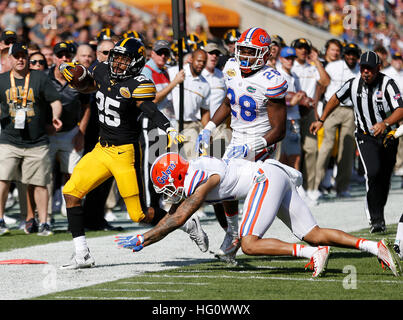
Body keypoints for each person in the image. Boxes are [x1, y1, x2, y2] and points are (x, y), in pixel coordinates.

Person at [116, 152, 402, 277]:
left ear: (178, 177)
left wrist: (145, 238)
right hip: (271, 174)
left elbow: (178, 217)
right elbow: (225, 197)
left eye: (168, 187)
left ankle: (312, 254)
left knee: (249, 243)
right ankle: (374, 247)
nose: (168, 193)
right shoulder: (198, 169)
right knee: (312, 233)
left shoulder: (198, 179)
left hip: (265, 179)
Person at [58, 38, 207, 269]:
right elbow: (89, 85)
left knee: (138, 215)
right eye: (116, 57)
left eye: (124, 59)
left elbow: (150, 109)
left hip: (124, 153)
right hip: (101, 148)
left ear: (136, 62)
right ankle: (82, 254)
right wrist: (72, 74)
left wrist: (168, 127)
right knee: (71, 192)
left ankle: (187, 223)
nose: (117, 63)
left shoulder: (138, 84)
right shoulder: (100, 68)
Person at [196, 28, 288, 262]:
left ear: (265, 55)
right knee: (224, 185)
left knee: (239, 186)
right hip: (237, 136)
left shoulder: (272, 80)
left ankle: (240, 237)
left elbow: (279, 130)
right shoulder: (231, 68)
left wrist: (253, 146)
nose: (245, 56)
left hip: (261, 140)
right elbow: (229, 101)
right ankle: (235, 233)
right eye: (243, 50)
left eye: (251, 52)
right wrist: (208, 128)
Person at [310, 51, 403, 234]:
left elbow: (400, 109)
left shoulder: (388, 84)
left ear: (378, 68)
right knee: (373, 173)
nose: (366, 72)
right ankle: (375, 219)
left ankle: (378, 213)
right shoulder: (353, 84)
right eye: (363, 68)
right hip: (365, 136)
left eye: (370, 68)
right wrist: (321, 120)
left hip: (388, 136)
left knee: (384, 179)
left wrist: (385, 123)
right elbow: (335, 98)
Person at [0, 43, 63, 236]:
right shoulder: (2, 80)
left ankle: (43, 222)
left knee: (39, 183)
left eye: (23, 56)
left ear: (27, 58)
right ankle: (0, 220)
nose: (20, 59)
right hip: (9, 139)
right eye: (16, 56)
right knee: (2, 179)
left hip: (37, 141)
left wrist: (55, 116)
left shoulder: (39, 78)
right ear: (9, 59)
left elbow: (55, 101)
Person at [45, 42, 91, 219]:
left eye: (67, 56)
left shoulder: (79, 76)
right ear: (55, 58)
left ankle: (70, 206)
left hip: (72, 130)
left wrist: (81, 132)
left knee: (72, 172)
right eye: (60, 55)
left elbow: (87, 106)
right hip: (48, 131)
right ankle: (45, 214)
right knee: (45, 174)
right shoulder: (44, 77)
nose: (64, 59)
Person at [311, 43, 361, 200]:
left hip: (350, 110)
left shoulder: (360, 70)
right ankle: (315, 186)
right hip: (331, 109)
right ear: (344, 54)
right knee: (326, 146)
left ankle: (342, 187)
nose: (351, 57)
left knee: (347, 150)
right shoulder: (334, 66)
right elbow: (321, 86)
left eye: (354, 54)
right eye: (349, 54)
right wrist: (316, 109)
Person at [140, 40, 185, 212]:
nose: (163, 56)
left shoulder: (164, 71)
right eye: (160, 52)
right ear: (152, 53)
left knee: (164, 164)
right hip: (151, 122)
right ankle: (150, 206)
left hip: (165, 123)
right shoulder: (147, 71)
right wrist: (174, 83)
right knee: (150, 164)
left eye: (166, 53)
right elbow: (153, 99)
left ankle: (159, 203)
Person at [291, 38, 330, 204]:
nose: (303, 50)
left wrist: (316, 61)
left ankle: (311, 187)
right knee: (293, 152)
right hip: (292, 110)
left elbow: (325, 81)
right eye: (299, 48)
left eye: (305, 48)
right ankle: (295, 188)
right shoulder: (289, 65)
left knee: (311, 149)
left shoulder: (311, 67)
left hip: (308, 112)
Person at [168, 48, 210, 161]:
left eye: (204, 62)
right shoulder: (174, 72)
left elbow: (205, 111)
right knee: (172, 161)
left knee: (191, 161)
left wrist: (206, 131)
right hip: (172, 124)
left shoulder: (205, 84)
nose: (201, 64)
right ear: (191, 59)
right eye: (199, 61)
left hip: (191, 125)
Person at [277, 46, 306, 171]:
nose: (290, 61)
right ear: (281, 59)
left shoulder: (294, 75)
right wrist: (291, 102)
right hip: (281, 120)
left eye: (292, 58)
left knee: (295, 154)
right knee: (281, 156)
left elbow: (298, 93)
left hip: (293, 119)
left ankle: (295, 186)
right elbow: (275, 99)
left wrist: (302, 98)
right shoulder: (278, 75)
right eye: (287, 58)